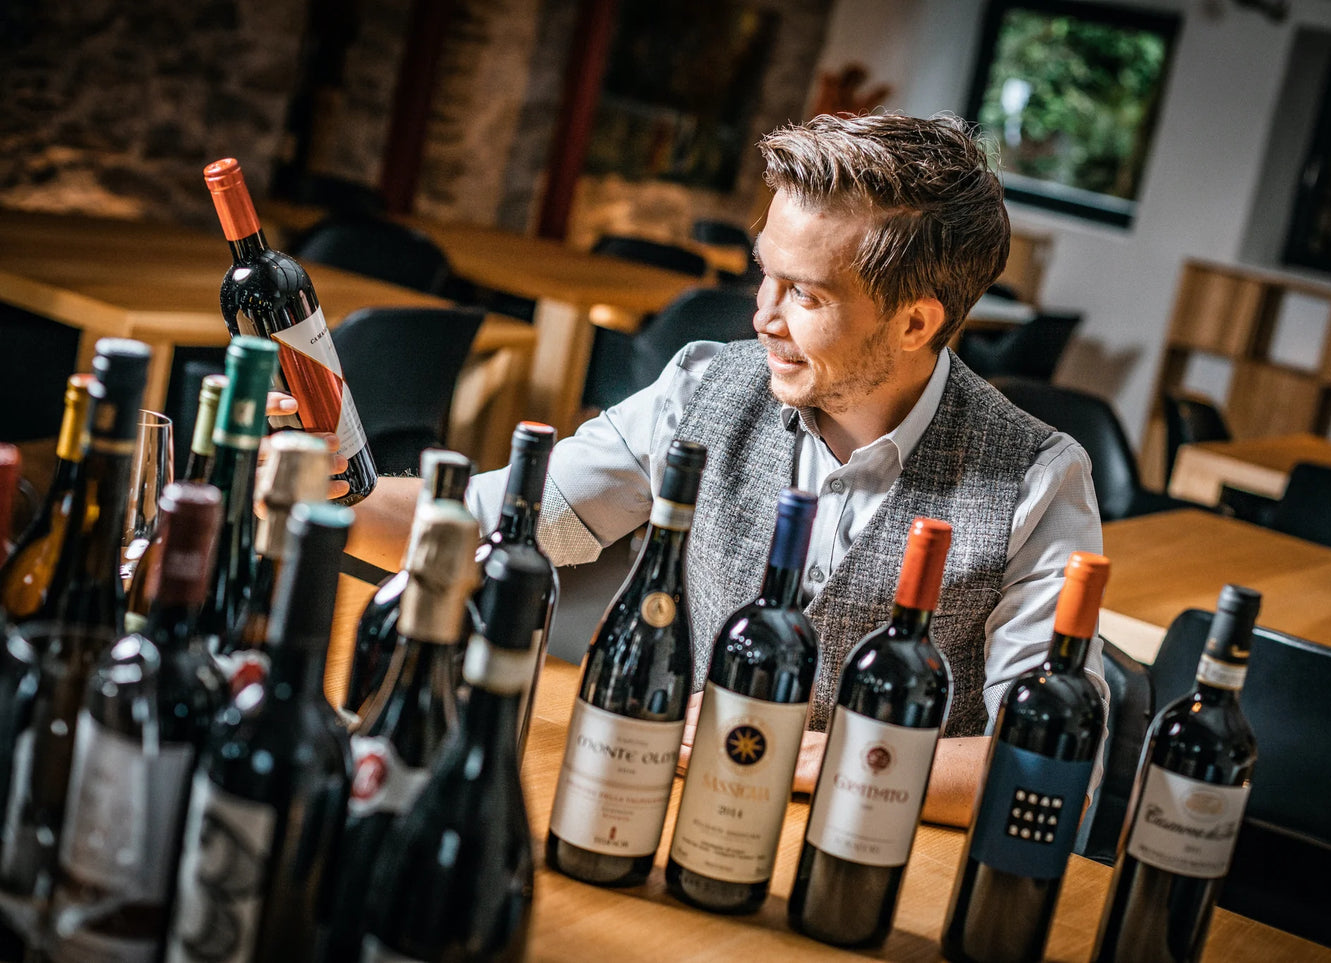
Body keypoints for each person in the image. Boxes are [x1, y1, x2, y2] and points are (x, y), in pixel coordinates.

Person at [292, 112, 1106, 829]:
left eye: (804, 294)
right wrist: (321, 491)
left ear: (915, 322)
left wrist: (815, 758)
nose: (763, 315)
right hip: (678, 821)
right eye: (764, 274)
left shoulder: (1036, 479)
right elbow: (489, 525)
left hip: (886, 872)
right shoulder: (703, 387)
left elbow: (1053, 768)